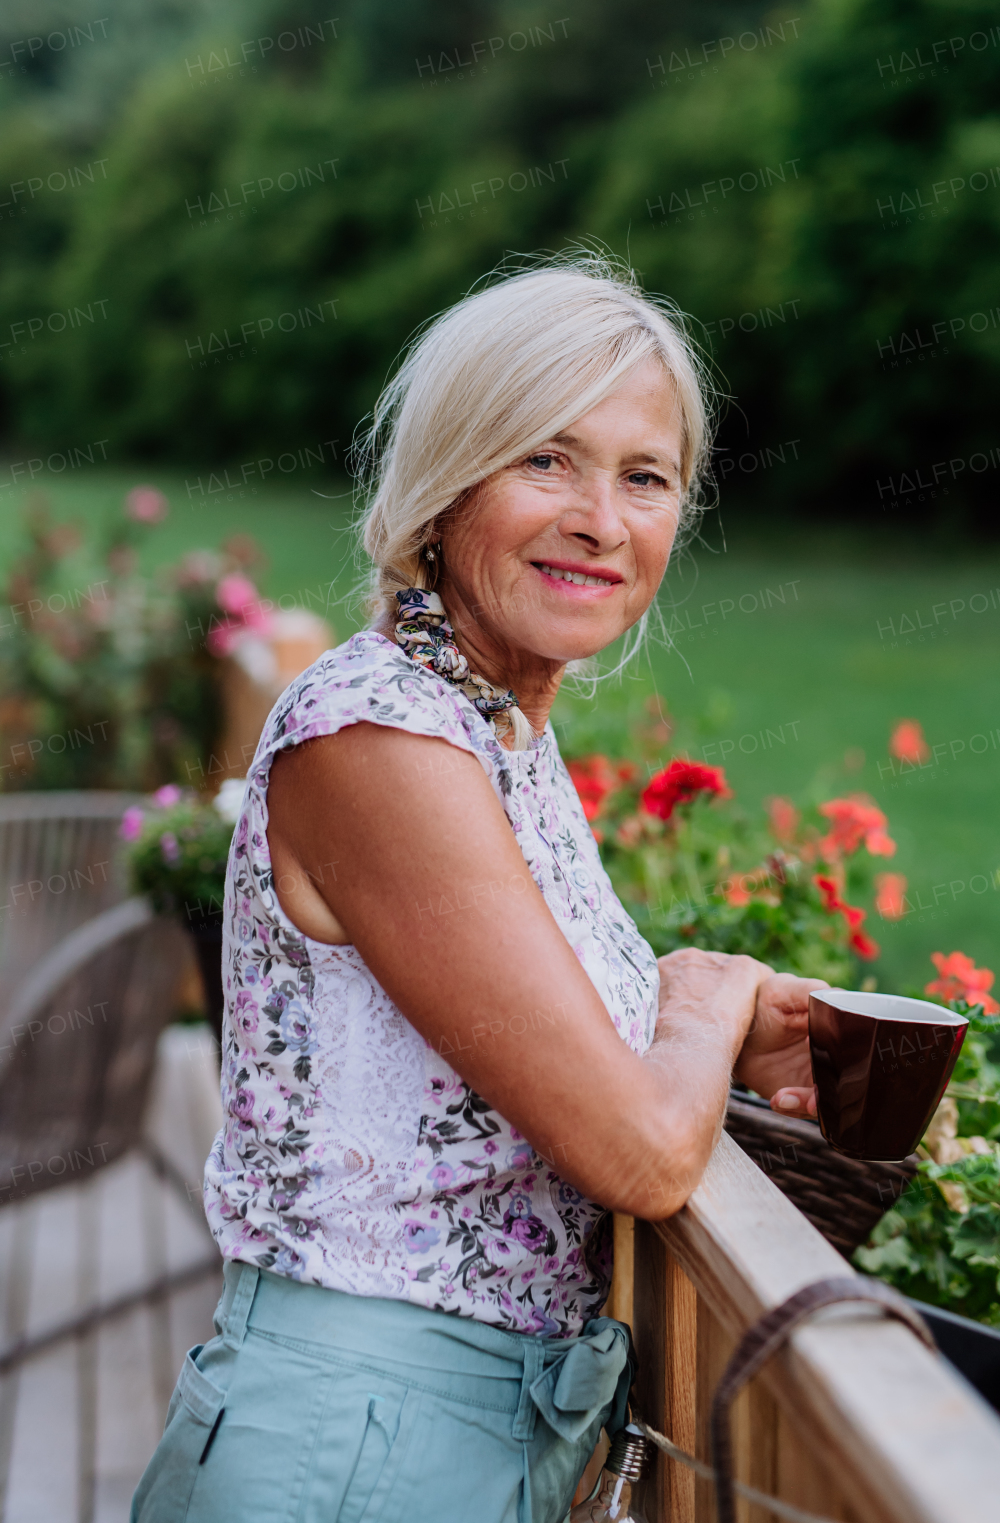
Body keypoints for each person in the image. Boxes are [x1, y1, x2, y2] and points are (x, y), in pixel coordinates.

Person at [133, 259, 824, 1523]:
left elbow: (517, 1057)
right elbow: (632, 1149)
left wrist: (732, 1041)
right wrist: (700, 998)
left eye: (644, 477)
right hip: (352, 1448)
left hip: (448, 1441)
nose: (600, 520)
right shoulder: (379, 737)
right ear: (443, 489)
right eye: (544, 460)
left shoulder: (491, 727)